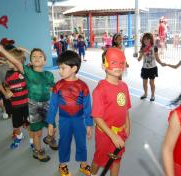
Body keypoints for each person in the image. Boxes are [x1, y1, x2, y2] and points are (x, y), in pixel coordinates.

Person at [0, 44, 57, 162]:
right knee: (37, 133)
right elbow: (15, 61)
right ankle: (38, 151)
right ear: (30, 61)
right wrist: (1, 50)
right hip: (34, 107)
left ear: (45, 61)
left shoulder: (49, 75)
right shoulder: (27, 72)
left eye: (40, 56)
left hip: (47, 106)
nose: (37, 58)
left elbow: (53, 89)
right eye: (34, 57)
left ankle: (51, 138)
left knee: (53, 128)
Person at [46, 50, 93, 176]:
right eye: (59, 67)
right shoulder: (58, 86)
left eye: (62, 68)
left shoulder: (83, 86)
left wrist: (89, 124)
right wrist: (50, 123)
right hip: (64, 120)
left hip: (79, 120)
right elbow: (53, 106)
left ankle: (83, 164)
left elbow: (87, 106)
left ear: (74, 68)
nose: (59, 71)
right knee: (64, 142)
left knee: (81, 143)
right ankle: (63, 165)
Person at [90, 48, 131, 176]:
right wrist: (112, 136)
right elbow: (97, 117)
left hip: (120, 132)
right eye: (114, 63)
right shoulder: (100, 90)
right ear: (104, 66)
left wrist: (127, 127)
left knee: (116, 158)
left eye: (121, 63)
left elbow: (125, 109)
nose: (119, 67)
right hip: (105, 135)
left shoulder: (124, 86)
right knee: (99, 159)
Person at [137, 33, 165, 101]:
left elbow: (157, 58)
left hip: (153, 68)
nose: (146, 40)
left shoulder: (154, 47)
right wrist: (140, 54)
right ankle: (145, 94)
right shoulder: (142, 48)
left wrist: (161, 63)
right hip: (145, 68)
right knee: (144, 82)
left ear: (151, 40)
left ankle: (152, 95)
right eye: (144, 39)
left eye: (147, 39)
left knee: (152, 82)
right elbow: (139, 59)